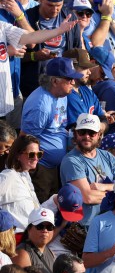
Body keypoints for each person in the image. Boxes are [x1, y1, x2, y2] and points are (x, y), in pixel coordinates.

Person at [21, 58, 83, 202]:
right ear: (55, 81)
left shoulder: (62, 94)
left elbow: (59, 126)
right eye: (69, 79)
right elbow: (26, 140)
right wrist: (32, 170)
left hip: (55, 167)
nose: (73, 83)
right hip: (41, 170)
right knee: (42, 209)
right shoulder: (41, 105)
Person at [59, 113, 115, 226]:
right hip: (85, 227)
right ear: (75, 134)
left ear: (99, 135)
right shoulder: (71, 160)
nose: (87, 136)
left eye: (92, 133)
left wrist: (104, 187)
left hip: (111, 222)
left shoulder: (107, 156)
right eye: (82, 132)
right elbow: (87, 197)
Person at [0, 135, 42, 232]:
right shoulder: (8, 176)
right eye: (31, 154)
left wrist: (53, 201)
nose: (36, 158)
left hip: (31, 237)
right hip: (16, 240)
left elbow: (35, 210)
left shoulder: (25, 176)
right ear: (18, 155)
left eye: (39, 154)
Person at [14, 208, 56, 273]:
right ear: (29, 229)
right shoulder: (22, 254)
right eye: (40, 226)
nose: (45, 230)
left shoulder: (51, 253)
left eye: (49, 227)